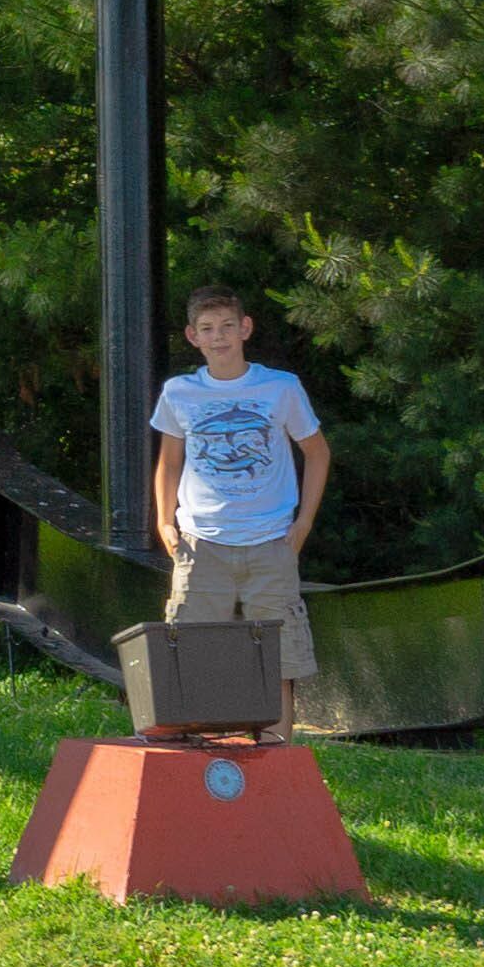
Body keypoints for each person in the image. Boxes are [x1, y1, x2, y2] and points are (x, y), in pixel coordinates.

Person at [146, 283, 329, 729]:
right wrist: (164, 522)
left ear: (245, 328)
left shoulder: (280, 388)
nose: (219, 337)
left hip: (271, 541)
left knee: (278, 658)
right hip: (200, 542)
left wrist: (304, 521)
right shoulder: (178, 392)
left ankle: (275, 753)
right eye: (207, 329)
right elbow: (169, 461)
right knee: (191, 650)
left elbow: (318, 452)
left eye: (228, 326)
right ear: (193, 337)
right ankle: (199, 752)